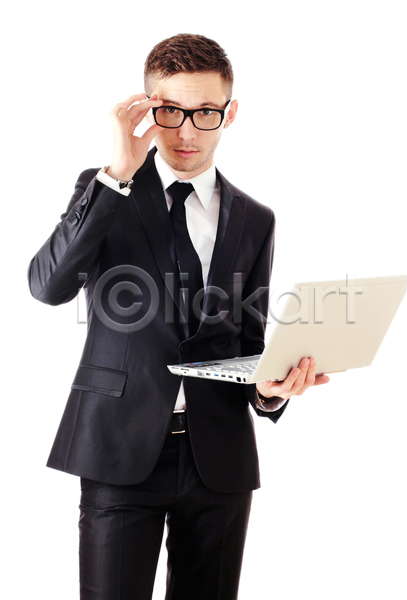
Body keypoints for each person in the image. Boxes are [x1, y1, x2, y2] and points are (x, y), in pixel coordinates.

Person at [28, 33, 329, 600]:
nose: (187, 132)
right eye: (171, 111)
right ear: (147, 110)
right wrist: (116, 173)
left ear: (229, 114)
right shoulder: (105, 190)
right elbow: (48, 286)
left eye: (205, 113)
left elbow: (248, 340)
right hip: (119, 449)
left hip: (219, 459)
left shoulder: (255, 219)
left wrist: (270, 391)